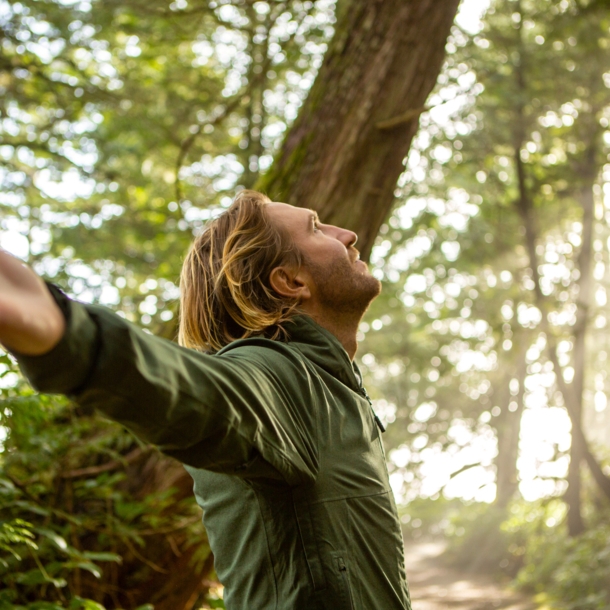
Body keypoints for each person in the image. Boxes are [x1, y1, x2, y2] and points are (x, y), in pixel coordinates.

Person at [0, 190, 412, 610]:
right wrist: (66, 332)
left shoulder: (337, 389)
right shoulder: (282, 379)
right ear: (290, 281)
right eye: (315, 228)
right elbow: (203, 396)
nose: (348, 234)